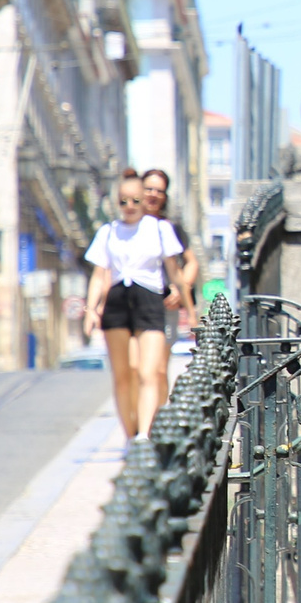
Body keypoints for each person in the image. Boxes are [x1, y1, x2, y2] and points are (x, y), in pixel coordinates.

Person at [83, 173, 181, 438]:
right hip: (117, 301)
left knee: (149, 372)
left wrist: (187, 304)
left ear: (143, 200)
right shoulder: (108, 232)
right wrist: (91, 310)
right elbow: (99, 274)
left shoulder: (159, 229)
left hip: (149, 300)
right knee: (123, 375)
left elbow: (174, 270)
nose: (129, 206)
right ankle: (130, 434)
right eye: (123, 201)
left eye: (135, 200)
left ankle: (144, 436)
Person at [140, 168, 200, 322]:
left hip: (167, 303)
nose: (154, 194)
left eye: (159, 191)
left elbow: (192, 262)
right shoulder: (127, 227)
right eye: (149, 189)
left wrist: (181, 290)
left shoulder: (170, 227)